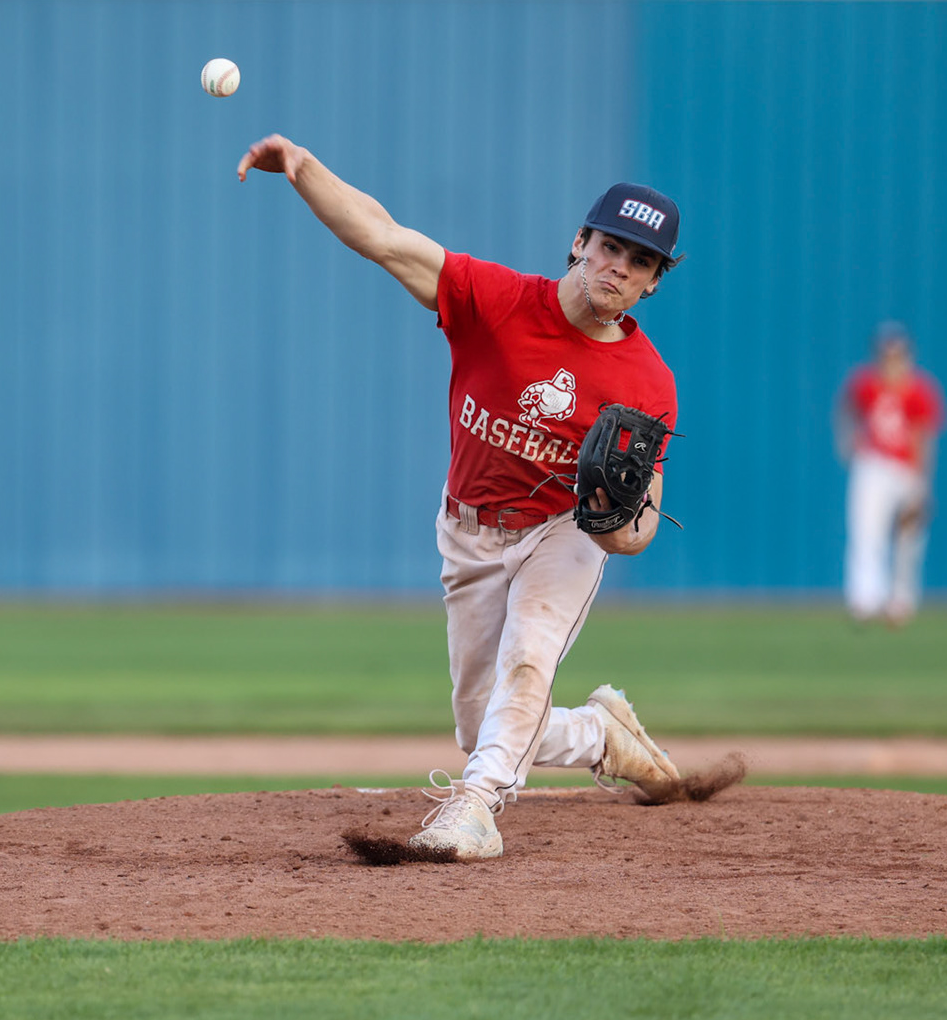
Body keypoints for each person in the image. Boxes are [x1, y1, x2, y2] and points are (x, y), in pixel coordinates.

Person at [237, 135, 686, 860]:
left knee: (530, 661)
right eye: (610, 246)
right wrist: (302, 169)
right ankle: (601, 734)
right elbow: (384, 239)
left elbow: (642, 523)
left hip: (559, 531)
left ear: (653, 283)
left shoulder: (647, 382)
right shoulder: (498, 302)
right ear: (579, 242)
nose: (619, 266)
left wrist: (618, 532)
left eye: (640, 262)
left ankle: (473, 810)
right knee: (482, 726)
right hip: (469, 531)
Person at [836, 322, 945, 628]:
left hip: (906, 467)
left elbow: (924, 436)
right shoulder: (865, 383)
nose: (891, 359)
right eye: (886, 352)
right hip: (872, 464)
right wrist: (847, 442)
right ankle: (865, 598)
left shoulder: (919, 389)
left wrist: (922, 483)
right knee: (866, 532)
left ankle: (900, 601)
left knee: (908, 536)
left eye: (897, 352)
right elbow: (845, 410)